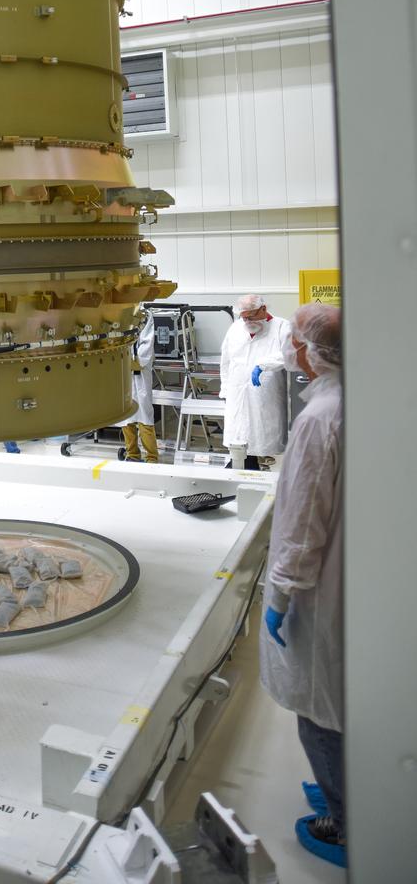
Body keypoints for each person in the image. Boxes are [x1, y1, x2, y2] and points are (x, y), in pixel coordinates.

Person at [259, 304, 344, 867]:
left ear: (314, 351)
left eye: (296, 340)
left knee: (319, 706)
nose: (292, 348)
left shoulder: (321, 418)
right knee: (342, 697)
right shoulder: (350, 400)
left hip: (321, 587)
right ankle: (343, 782)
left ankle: (346, 822)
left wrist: (283, 590)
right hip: (349, 575)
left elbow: (302, 517)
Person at [219, 294, 290, 470]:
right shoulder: (236, 328)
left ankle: (261, 462)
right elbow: (226, 361)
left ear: (263, 309)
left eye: (251, 316)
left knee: (262, 434)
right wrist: (225, 389)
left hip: (266, 392)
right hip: (237, 391)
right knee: (238, 433)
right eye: (243, 318)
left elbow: (290, 353)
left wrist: (263, 365)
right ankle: (243, 463)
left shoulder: (282, 326)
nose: (247, 322)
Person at [121, 308, 158, 462]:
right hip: (121, 369)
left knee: (144, 412)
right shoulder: (118, 311)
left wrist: (136, 362)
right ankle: (132, 454)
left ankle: (151, 456)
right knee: (124, 414)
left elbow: (147, 342)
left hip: (140, 371)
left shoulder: (144, 314)